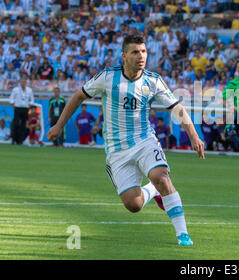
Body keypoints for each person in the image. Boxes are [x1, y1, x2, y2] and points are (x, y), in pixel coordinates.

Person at [47, 35, 204, 246]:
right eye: (135, 52)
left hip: (144, 140)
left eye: (144, 51)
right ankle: (153, 190)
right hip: (117, 150)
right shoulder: (108, 77)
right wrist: (58, 125)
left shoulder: (153, 80)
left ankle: (183, 234)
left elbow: (177, 108)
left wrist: (194, 136)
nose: (141, 56)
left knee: (161, 176)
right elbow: (78, 96)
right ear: (124, 56)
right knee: (134, 204)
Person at [9, 76, 34, 145]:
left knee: (23, 125)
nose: (23, 83)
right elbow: (11, 98)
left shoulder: (29, 90)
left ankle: (20, 140)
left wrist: (30, 105)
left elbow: (32, 100)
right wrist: (13, 105)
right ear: (19, 82)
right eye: (22, 81)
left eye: (24, 81)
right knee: (16, 124)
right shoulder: (15, 90)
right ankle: (13, 139)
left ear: (26, 82)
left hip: (25, 109)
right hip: (17, 108)